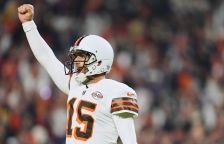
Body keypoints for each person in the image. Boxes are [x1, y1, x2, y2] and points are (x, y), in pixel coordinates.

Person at [18, 4, 139, 144]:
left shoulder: (117, 91)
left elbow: (130, 141)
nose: (76, 61)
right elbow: (47, 58)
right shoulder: (75, 85)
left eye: (81, 56)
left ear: (99, 61)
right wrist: (28, 24)